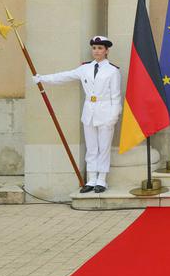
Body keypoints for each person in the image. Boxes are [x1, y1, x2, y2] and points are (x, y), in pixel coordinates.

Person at [34, 35, 121, 194]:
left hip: (105, 112)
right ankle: (91, 179)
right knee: (92, 148)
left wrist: (113, 117)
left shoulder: (112, 71)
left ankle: (101, 180)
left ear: (106, 51)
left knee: (104, 148)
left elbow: (116, 96)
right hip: (89, 112)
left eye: (100, 48)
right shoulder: (85, 68)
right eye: (94, 48)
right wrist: (42, 79)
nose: (96, 51)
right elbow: (64, 76)